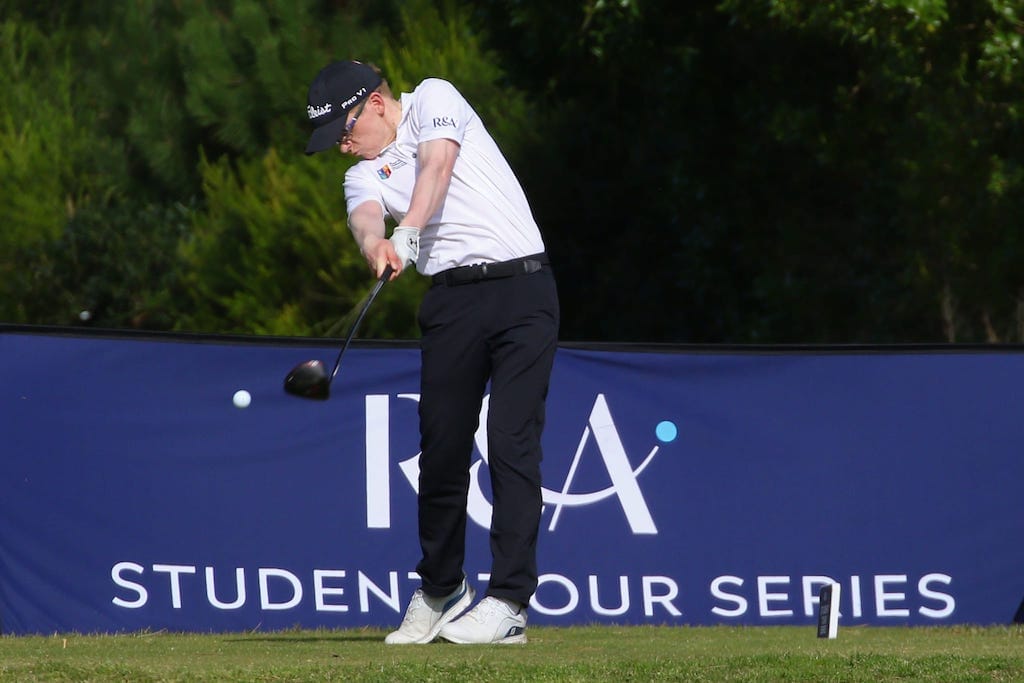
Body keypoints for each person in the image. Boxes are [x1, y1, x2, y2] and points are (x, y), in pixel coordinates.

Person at [304, 60, 559, 645]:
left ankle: (509, 602)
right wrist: (377, 246)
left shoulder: (434, 98)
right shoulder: (361, 173)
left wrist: (410, 229)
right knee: (441, 449)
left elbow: (437, 164)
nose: (343, 147)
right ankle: (442, 588)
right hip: (450, 303)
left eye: (345, 131)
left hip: (522, 288)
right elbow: (366, 217)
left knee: (511, 439)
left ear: (374, 104)